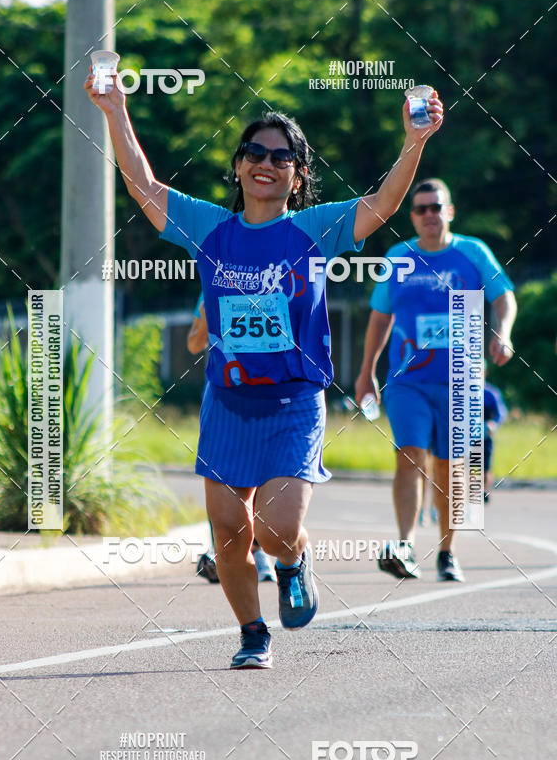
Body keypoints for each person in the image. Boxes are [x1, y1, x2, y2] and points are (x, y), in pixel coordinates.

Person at [85, 65, 443, 668]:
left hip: (293, 402)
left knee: (274, 528)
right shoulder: (211, 229)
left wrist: (414, 143)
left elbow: (382, 205)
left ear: (296, 176)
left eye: (280, 158)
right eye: (254, 152)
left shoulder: (312, 229)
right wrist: (116, 111)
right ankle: (253, 633)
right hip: (227, 404)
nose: (265, 163)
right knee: (229, 533)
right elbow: (144, 188)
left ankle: (293, 560)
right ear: (238, 165)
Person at [355, 178, 516, 583]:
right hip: (408, 379)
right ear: (412, 216)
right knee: (409, 454)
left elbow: (503, 297)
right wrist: (366, 372)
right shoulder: (398, 257)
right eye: (421, 208)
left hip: (461, 378)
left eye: (436, 207)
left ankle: (448, 551)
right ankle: (405, 546)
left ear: (450, 211)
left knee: (451, 468)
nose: (430, 215)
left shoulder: (472, 252)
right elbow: (380, 318)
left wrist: (503, 332)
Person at [187, 295, 277, 583]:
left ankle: (259, 548)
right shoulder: (214, 279)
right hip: (225, 395)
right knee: (221, 477)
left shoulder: (282, 272)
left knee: (266, 477)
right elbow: (193, 344)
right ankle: (223, 550)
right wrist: (204, 316)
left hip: (274, 394)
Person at [484, 372, 508, 502]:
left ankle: (484, 491)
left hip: (485, 434)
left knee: (485, 466)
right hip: (467, 435)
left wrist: (494, 424)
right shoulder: (463, 389)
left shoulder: (491, 392)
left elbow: (501, 413)